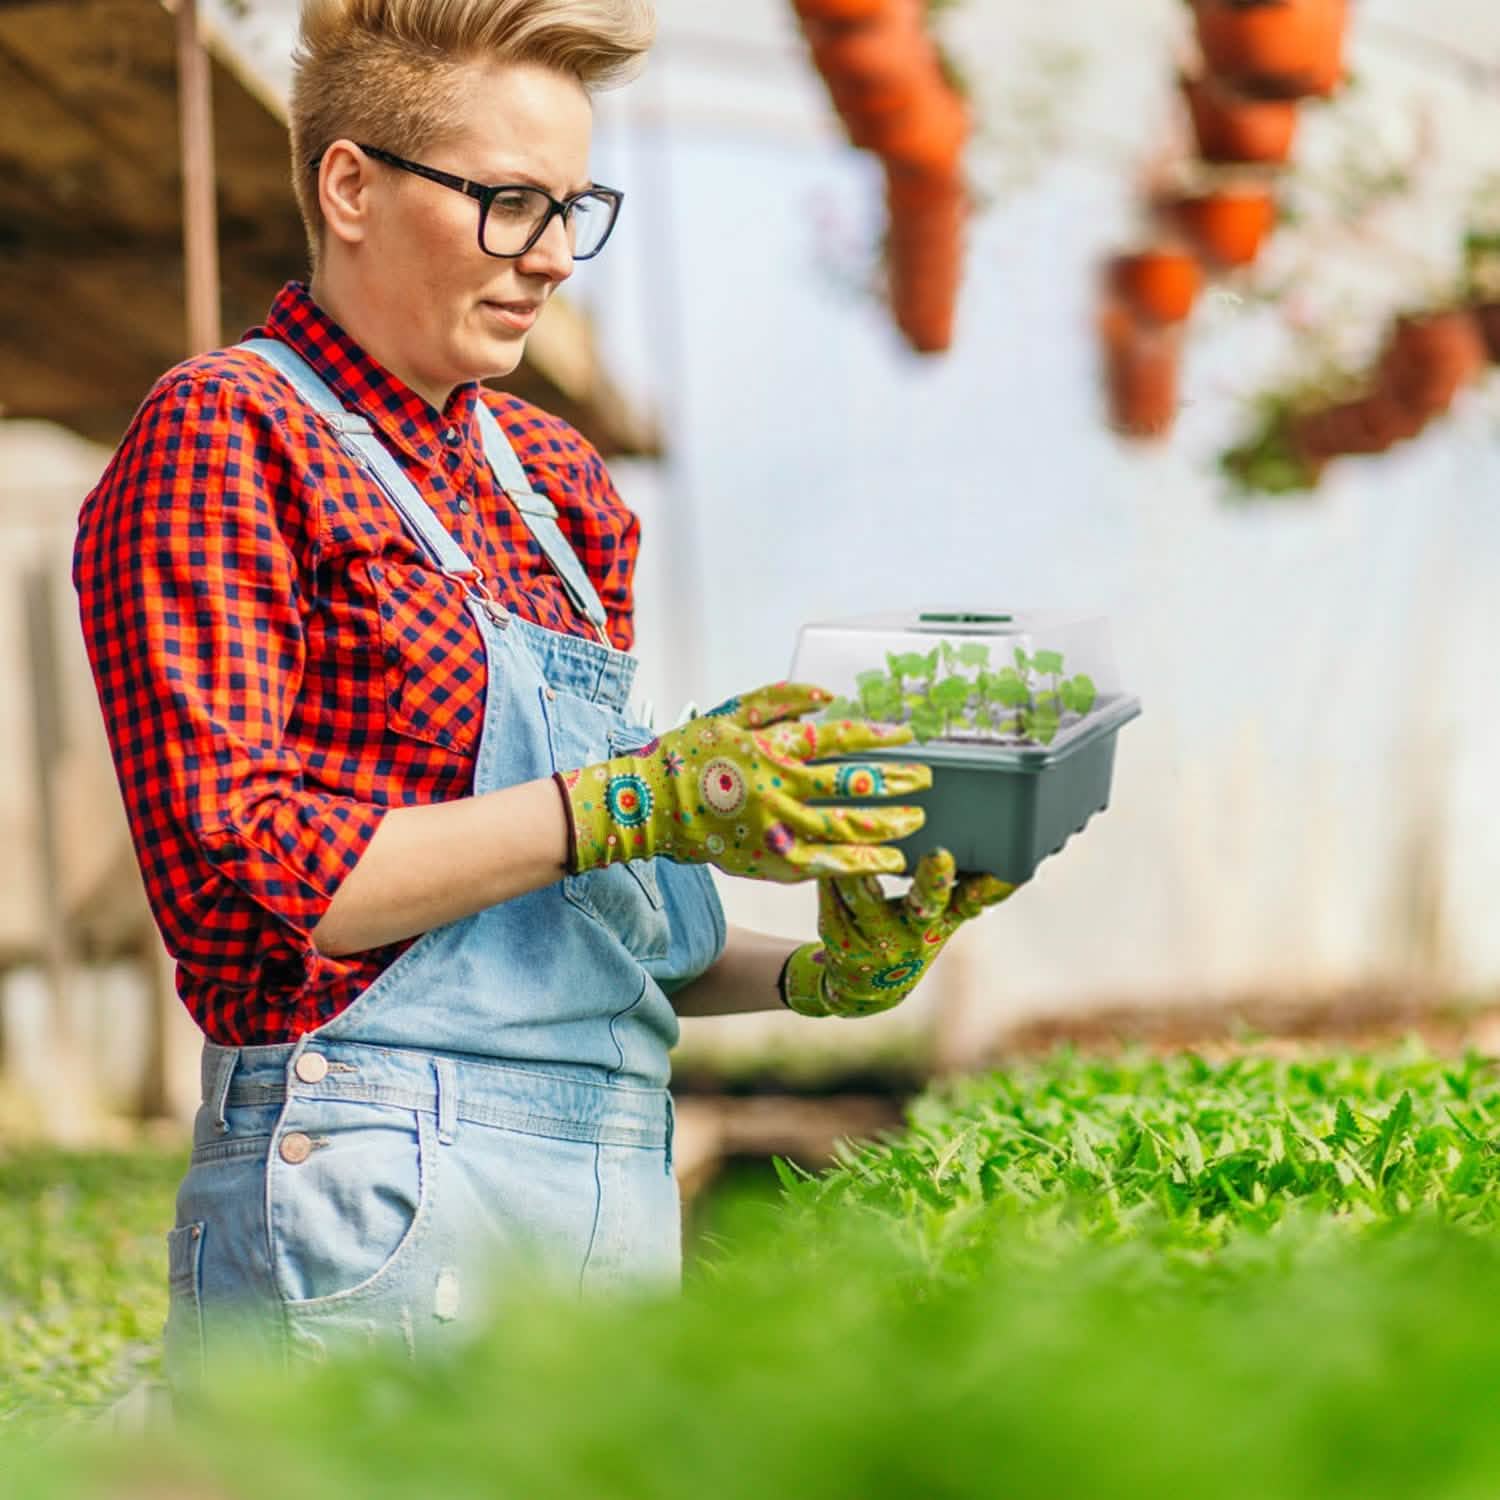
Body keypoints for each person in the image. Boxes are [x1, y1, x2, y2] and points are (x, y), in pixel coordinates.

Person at [71, 0, 1018, 1386]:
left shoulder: (559, 489)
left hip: (607, 1190)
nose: (558, 256)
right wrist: (635, 797)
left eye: (575, 209)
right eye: (511, 203)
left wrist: (824, 974)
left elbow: (593, 929)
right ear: (352, 187)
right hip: (376, 1199)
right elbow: (260, 877)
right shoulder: (228, 433)